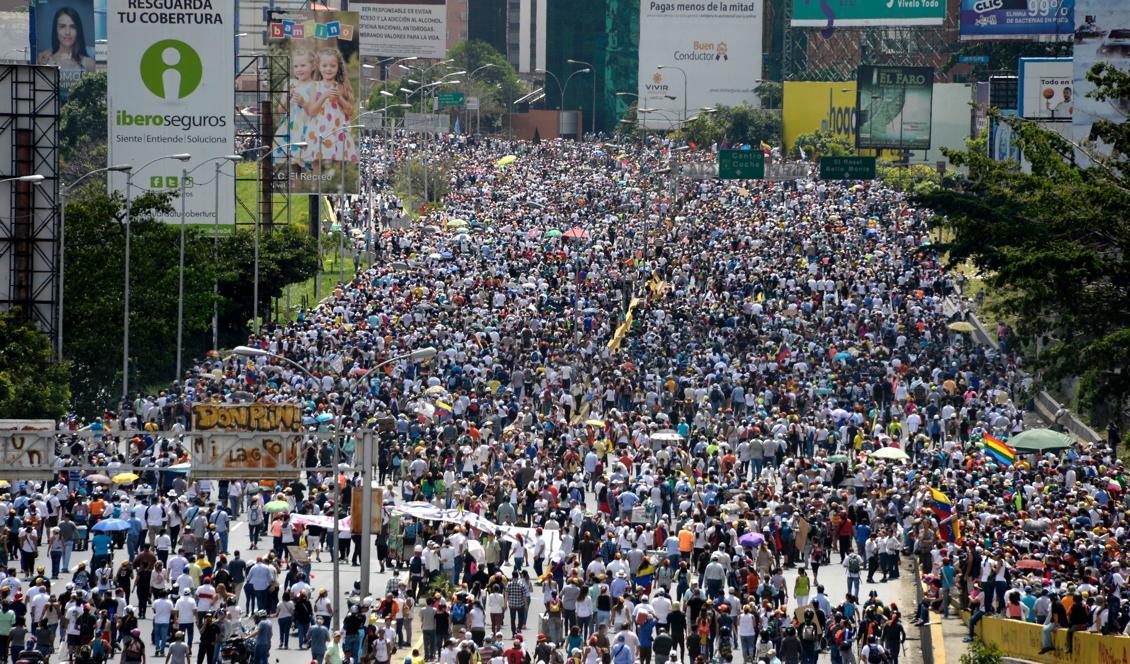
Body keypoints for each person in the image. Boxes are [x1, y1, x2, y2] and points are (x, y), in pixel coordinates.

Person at [35, 7, 96, 72]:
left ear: (78, 31)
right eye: (62, 26)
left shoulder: (90, 64)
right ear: (56, 30)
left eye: (73, 27)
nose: (67, 32)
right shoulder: (44, 61)